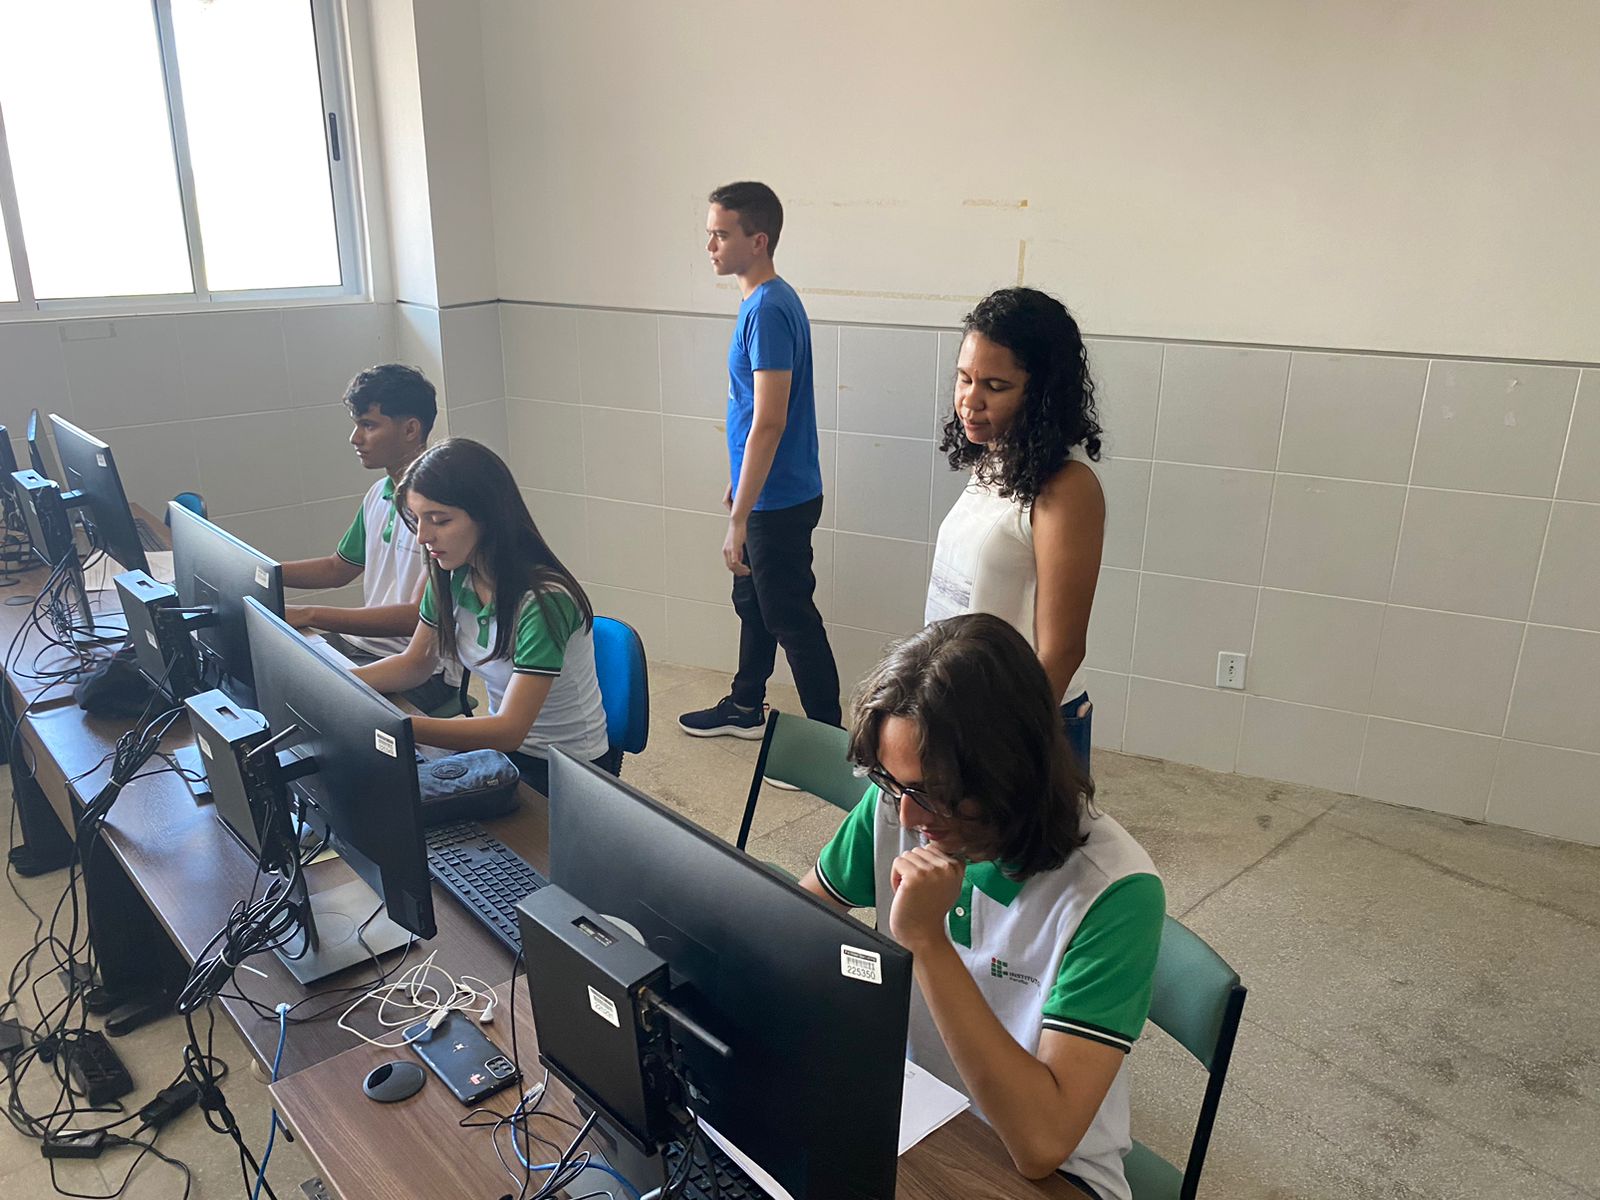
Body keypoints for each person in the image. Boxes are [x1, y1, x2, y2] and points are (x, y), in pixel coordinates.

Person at [800, 614, 1163, 1200]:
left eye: (935, 793)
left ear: (1011, 771)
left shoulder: (1114, 892)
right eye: (891, 783)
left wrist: (927, 941)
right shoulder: (897, 804)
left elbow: (1041, 1145)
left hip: (1050, 1172)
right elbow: (793, 927)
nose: (909, 817)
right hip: (919, 1113)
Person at [351, 438, 615, 794]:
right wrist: (337, 685)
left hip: (566, 769)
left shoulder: (543, 601)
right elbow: (415, 663)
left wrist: (395, 725)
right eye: (417, 520)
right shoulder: (451, 575)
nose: (423, 537)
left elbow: (509, 730)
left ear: (488, 517)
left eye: (439, 520)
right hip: (504, 751)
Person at [678, 181, 842, 740]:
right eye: (710, 234)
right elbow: (754, 415)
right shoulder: (763, 302)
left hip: (779, 498)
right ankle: (745, 704)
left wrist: (740, 517)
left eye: (721, 235)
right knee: (753, 603)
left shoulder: (769, 309)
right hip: (767, 489)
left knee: (791, 620)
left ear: (759, 240)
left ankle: (832, 743)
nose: (711, 247)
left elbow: (769, 421)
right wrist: (740, 485)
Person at [927, 287, 1105, 770]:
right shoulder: (995, 461)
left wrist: (1004, 746)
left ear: (1041, 393)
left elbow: (1062, 650)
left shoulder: (1066, 489)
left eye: (995, 386)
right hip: (955, 709)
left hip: (1020, 724)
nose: (971, 401)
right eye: (964, 378)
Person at [280, 364, 460, 713]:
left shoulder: (440, 512)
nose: (355, 438)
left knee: (318, 710)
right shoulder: (379, 492)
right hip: (360, 646)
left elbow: (415, 617)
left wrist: (310, 613)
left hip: (423, 670)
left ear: (410, 429)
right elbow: (337, 569)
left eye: (369, 425)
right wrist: (260, 572)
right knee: (275, 678)